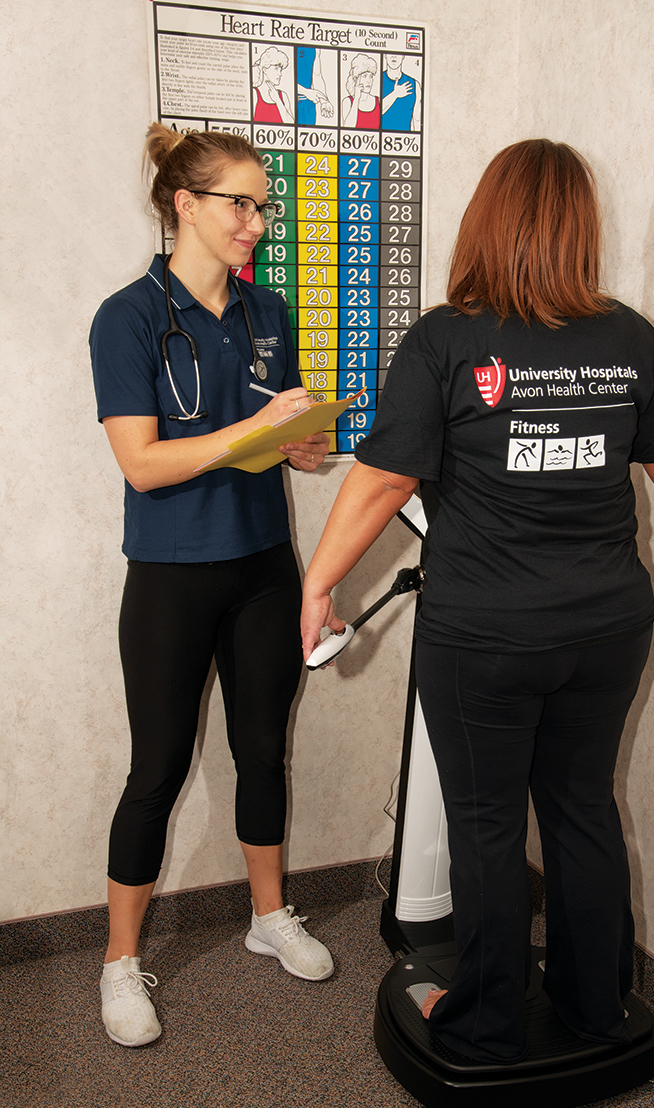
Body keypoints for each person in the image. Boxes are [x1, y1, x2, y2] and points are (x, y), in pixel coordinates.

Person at [300, 139, 654, 1064]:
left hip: (485, 637)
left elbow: (381, 482)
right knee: (582, 808)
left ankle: (490, 1019)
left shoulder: (448, 338)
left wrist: (320, 580)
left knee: (489, 824)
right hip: (606, 628)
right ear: (583, 225)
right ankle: (595, 1007)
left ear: (483, 219)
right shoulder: (629, 338)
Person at [90, 124, 334, 1049]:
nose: (259, 222)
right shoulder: (129, 316)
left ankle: (268, 918)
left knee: (262, 751)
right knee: (155, 769)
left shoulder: (269, 312)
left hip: (265, 564)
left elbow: (283, 436)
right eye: (243, 203)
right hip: (170, 576)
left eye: (264, 205)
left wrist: (303, 445)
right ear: (184, 204)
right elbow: (142, 464)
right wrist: (247, 436)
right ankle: (119, 961)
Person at [253, 46, 293, 124]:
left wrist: (278, 101)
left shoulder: (283, 95)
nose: (280, 74)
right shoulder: (254, 93)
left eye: (281, 70)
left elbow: (291, 124)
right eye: (276, 69)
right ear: (264, 69)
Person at [341, 54, 380, 129]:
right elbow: (347, 129)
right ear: (356, 78)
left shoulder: (378, 101)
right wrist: (356, 99)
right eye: (364, 76)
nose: (369, 81)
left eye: (371, 76)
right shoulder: (347, 101)